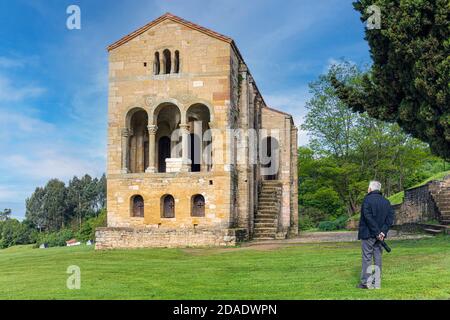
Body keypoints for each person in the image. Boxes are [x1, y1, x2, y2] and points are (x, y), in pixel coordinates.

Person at [357, 181, 394, 289]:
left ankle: (365, 283)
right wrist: (382, 232)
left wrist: (378, 232)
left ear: (370, 189)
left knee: (367, 258)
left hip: (368, 234)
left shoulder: (366, 200)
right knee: (377, 257)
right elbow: (390, 219)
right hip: (380, 236)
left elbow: (368, 218)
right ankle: (376, 282)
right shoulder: (386, 202)